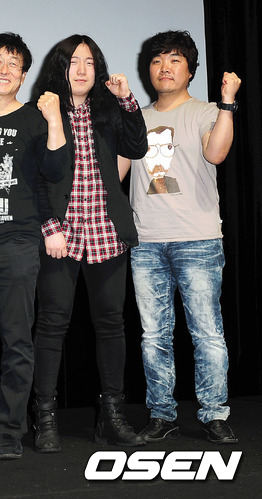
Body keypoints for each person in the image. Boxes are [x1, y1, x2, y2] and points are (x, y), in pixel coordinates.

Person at [32, 35, 148, 452]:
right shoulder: (41, 110)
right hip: (61, 235)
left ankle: (112, 417)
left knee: (112, 324)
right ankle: (44, 417)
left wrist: (127, 99)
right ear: (59, 68)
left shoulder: (108, 110)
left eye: (89, 62)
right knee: (52, 324)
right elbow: (35, 177)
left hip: (106, 230)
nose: (81, 69)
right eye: (73, 61)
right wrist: (50, 226)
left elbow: (137, 147)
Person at [0, 33, 68, 460]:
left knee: (18, 341)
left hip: (17, 243)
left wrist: (54, 119)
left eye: (14, 64)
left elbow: (55, 172)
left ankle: (11, 430)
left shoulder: (34, 119)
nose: (5, 69)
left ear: (22, 76)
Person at [128, 30, 241, 444]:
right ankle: (162, 414)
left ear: (190, 70)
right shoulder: (136, 118)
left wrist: (227, 102)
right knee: (153, 336)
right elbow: (116, 171)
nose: (165, 68)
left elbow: (216, 153)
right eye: (157, 60)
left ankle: (214, 414)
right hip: (146, 241)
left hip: (198, 239)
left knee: (206, 332)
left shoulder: (207, 111)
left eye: (174, 60)